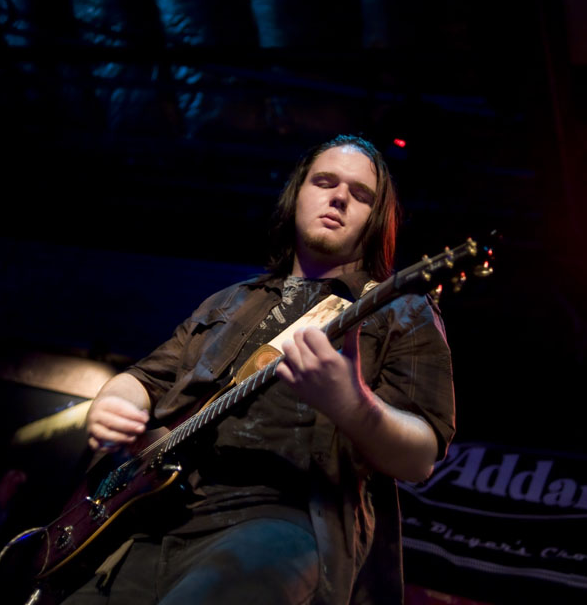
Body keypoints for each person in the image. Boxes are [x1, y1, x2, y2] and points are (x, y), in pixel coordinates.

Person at [68, 134, 456, 605]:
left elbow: (419, 457)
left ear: (376, 219)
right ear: (297, 193)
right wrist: (112, 402)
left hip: (276, 521)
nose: (338, 197)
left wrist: (351, 405)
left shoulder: (400, 307)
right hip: (150, 519)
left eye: (360, 195)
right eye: (325, 181)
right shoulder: (228, 300)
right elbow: (144, 379)